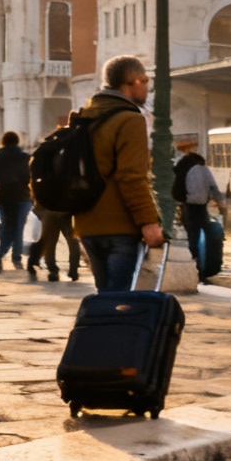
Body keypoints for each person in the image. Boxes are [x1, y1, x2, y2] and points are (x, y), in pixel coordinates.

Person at [70, 55, 165, 292]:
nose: (147, 87)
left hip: (87, 224)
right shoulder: (130, 120)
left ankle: (97, 329)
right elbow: (131, 177)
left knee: (106, 294)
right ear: (133, 82)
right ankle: (106, 329)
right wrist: (148, 222)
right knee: (118, 298)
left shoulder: (84, 117)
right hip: (120, 226)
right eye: (145, 81)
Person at [174, 139, 226, 283]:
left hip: (187, 206)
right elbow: (213, 187)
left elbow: (176, 186)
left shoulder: (180, 166)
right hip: (201, 207)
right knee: (204, 236)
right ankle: (202, 270)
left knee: (192, 236)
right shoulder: (203, 168)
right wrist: (220, 203)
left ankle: (193, 266)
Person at [0, 131, 32, 273]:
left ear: (3, 141)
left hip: (5, 196)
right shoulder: (25, 157)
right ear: (17, 141)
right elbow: (30, 177)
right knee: (19, 227)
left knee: (7, 227)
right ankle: (16, 257)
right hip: (23, 196)